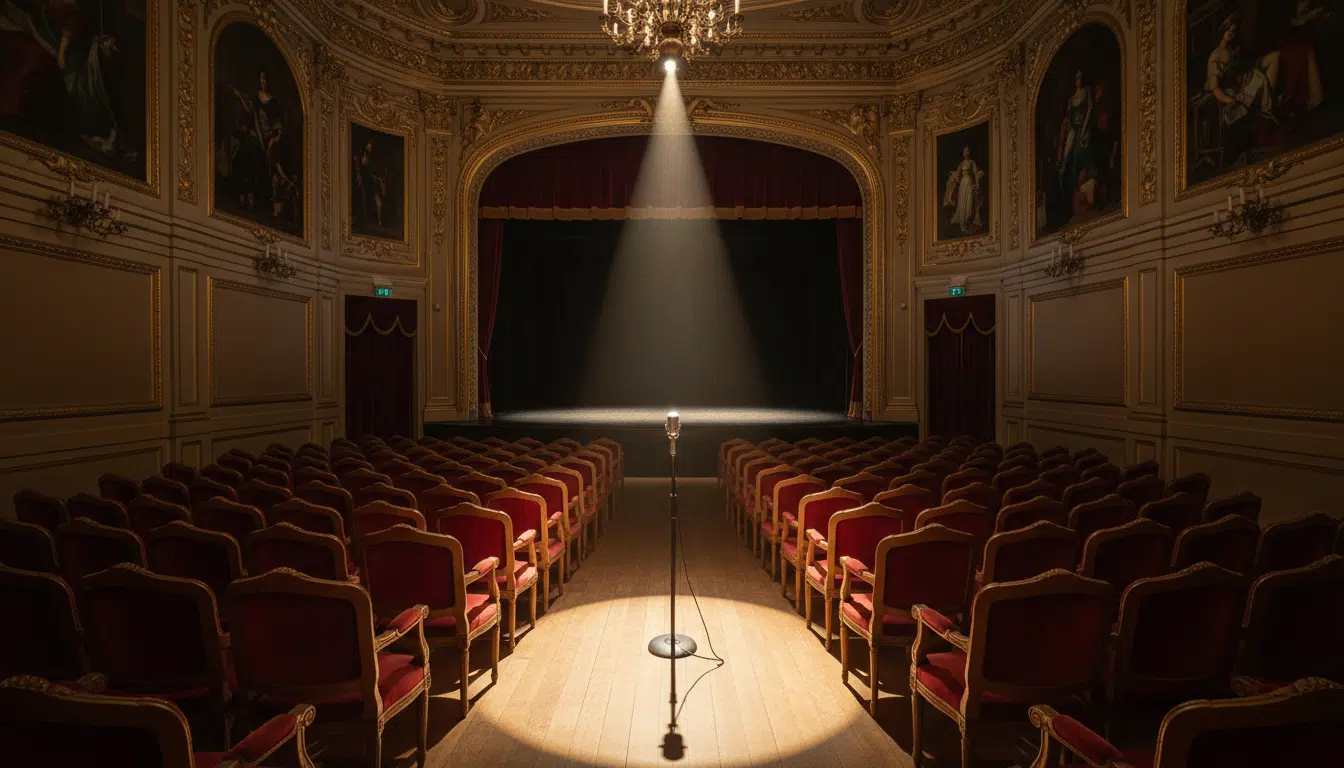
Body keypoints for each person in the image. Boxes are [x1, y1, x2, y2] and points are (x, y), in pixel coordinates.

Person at [942, 145, 984, 235]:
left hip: (969, 183)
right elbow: (957, 173)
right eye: (965, 151)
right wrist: (953, 175)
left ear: (969, 152)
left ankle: (968, 223)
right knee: (962, 203)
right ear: (963, 153)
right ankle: (962, 225)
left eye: (967, 151)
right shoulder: (961, 163)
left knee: (969, 202)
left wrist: (976, 183)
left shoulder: (972, 162)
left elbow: (976, 173)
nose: (966, 153)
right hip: (963, 184)